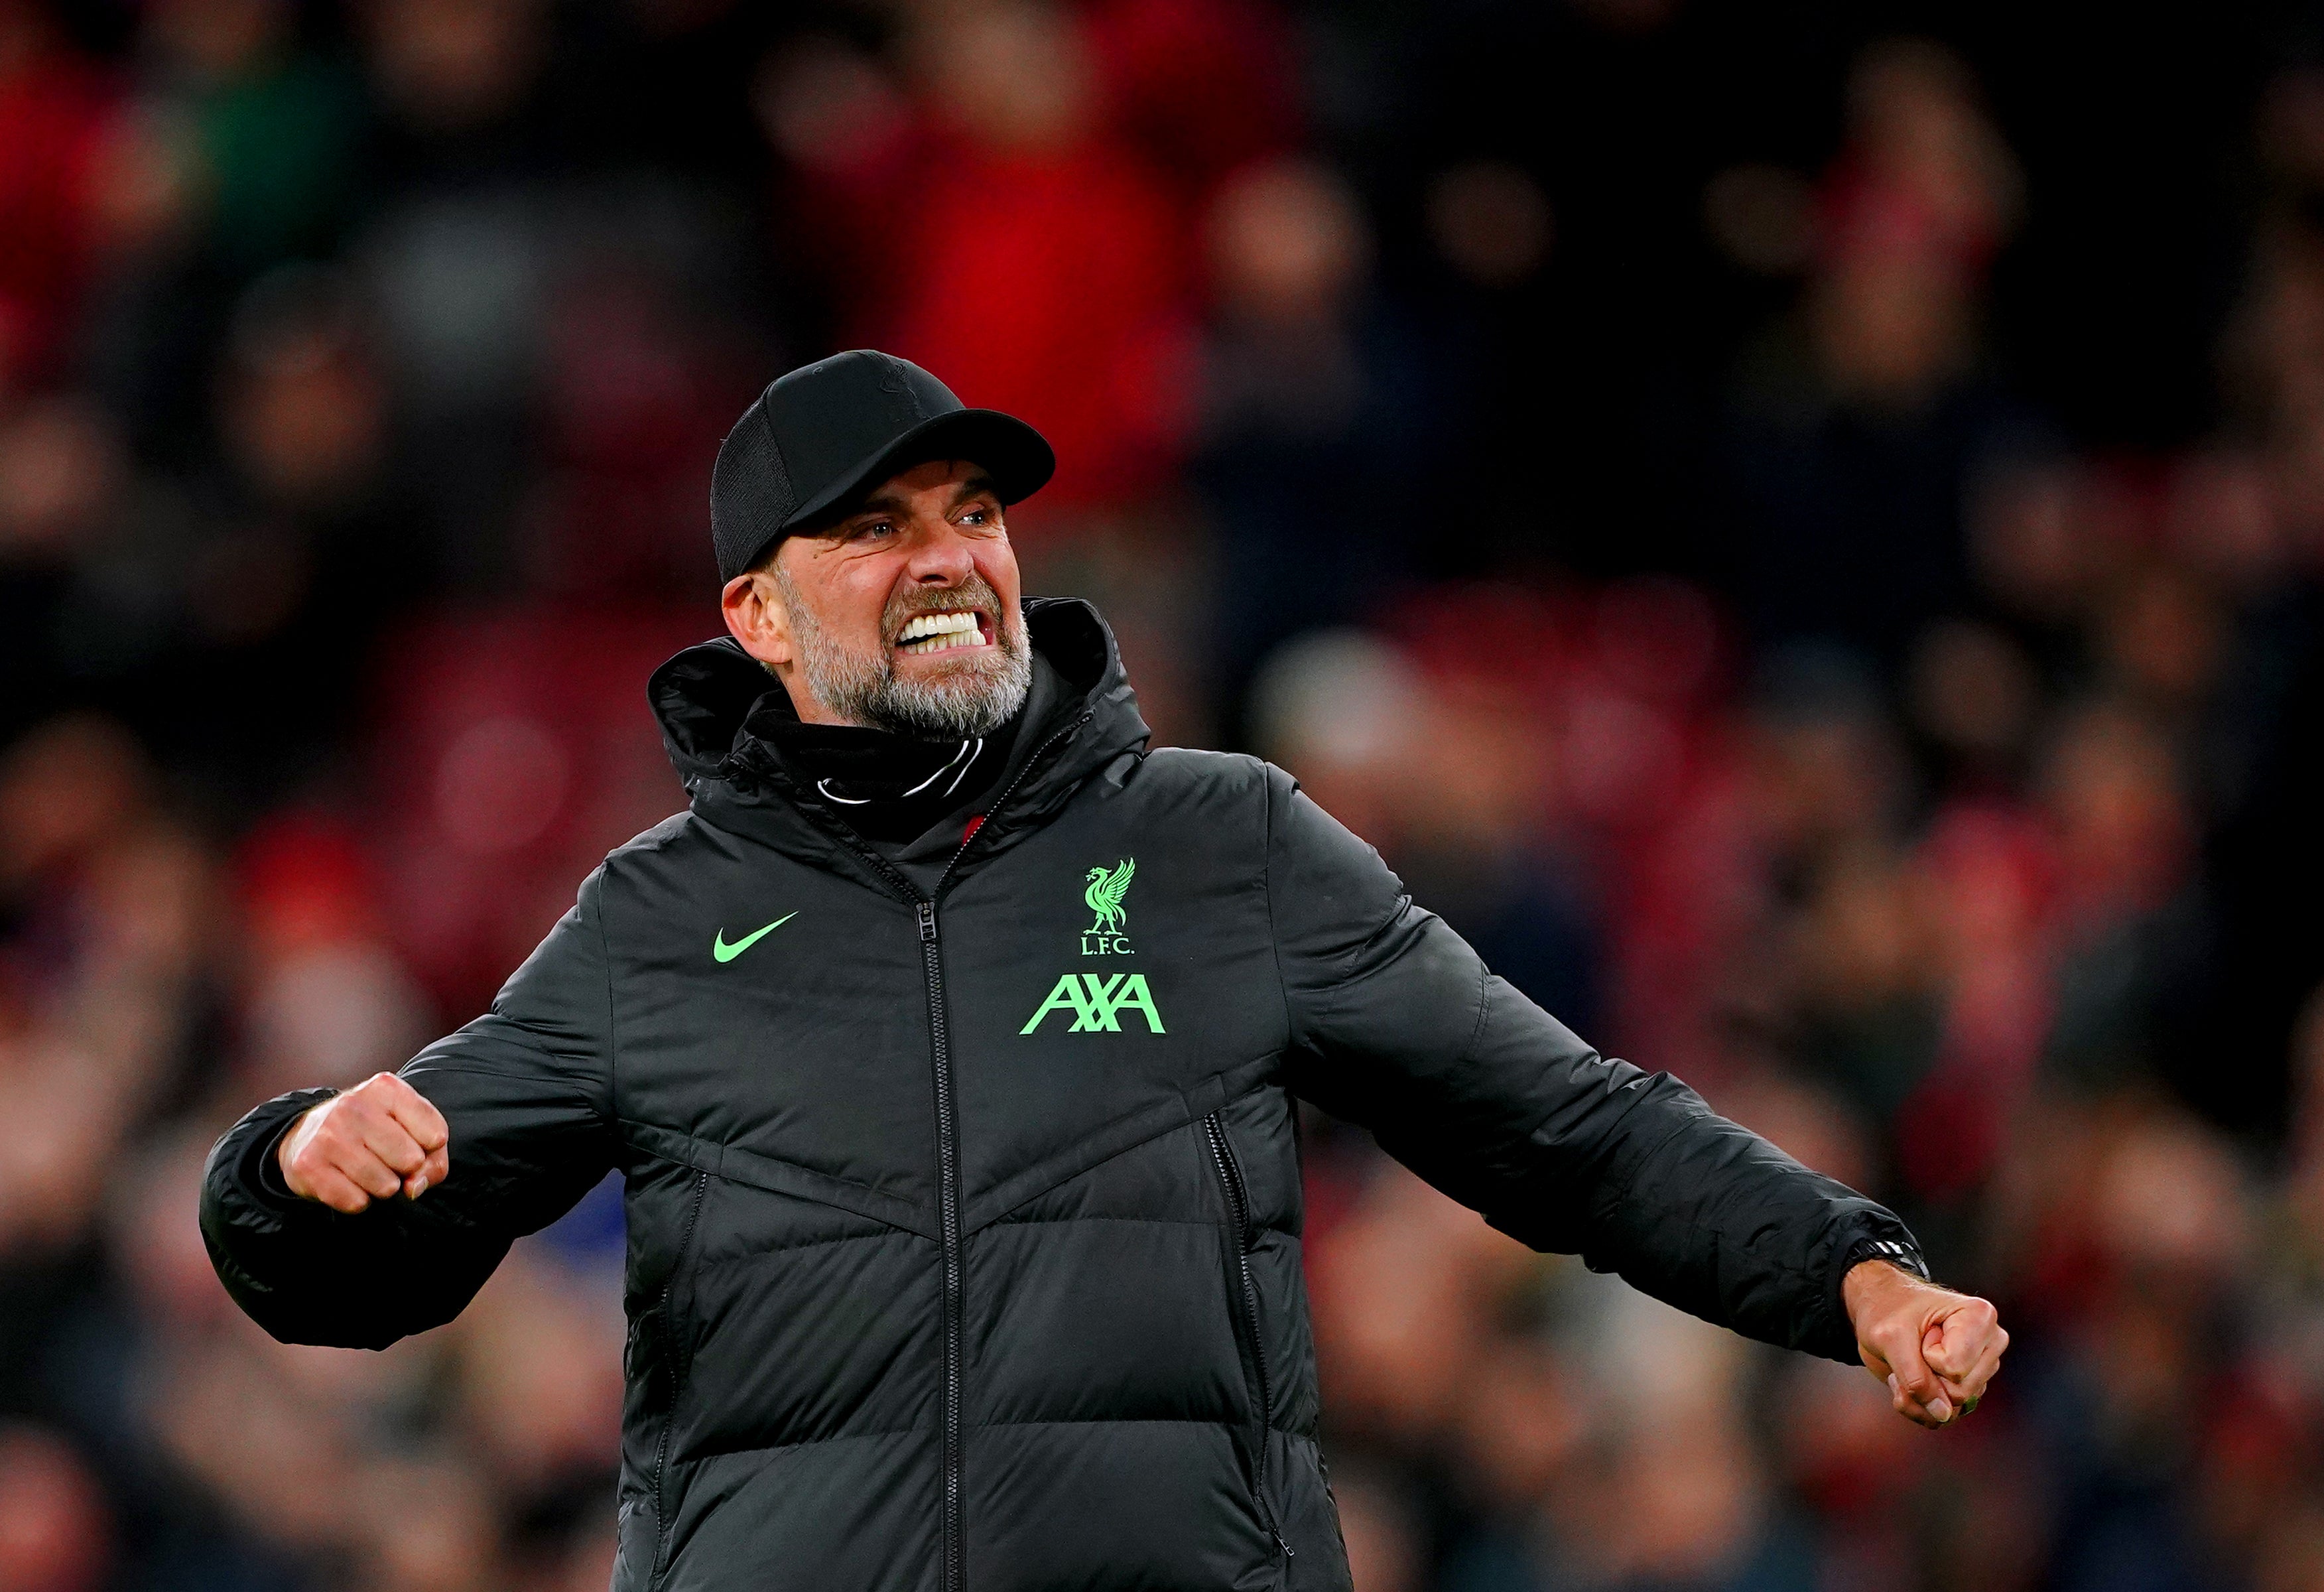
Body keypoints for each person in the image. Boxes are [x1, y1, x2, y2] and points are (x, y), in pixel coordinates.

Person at [201, 350, 2007, 1592]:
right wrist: (293, 1168)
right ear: (756, 616)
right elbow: (361, 1269)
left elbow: (1571, 1131)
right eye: (877, 528)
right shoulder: (655, 920)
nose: (949, 560)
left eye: (970, 511)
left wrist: (1848, 1273)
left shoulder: (1225, 848)